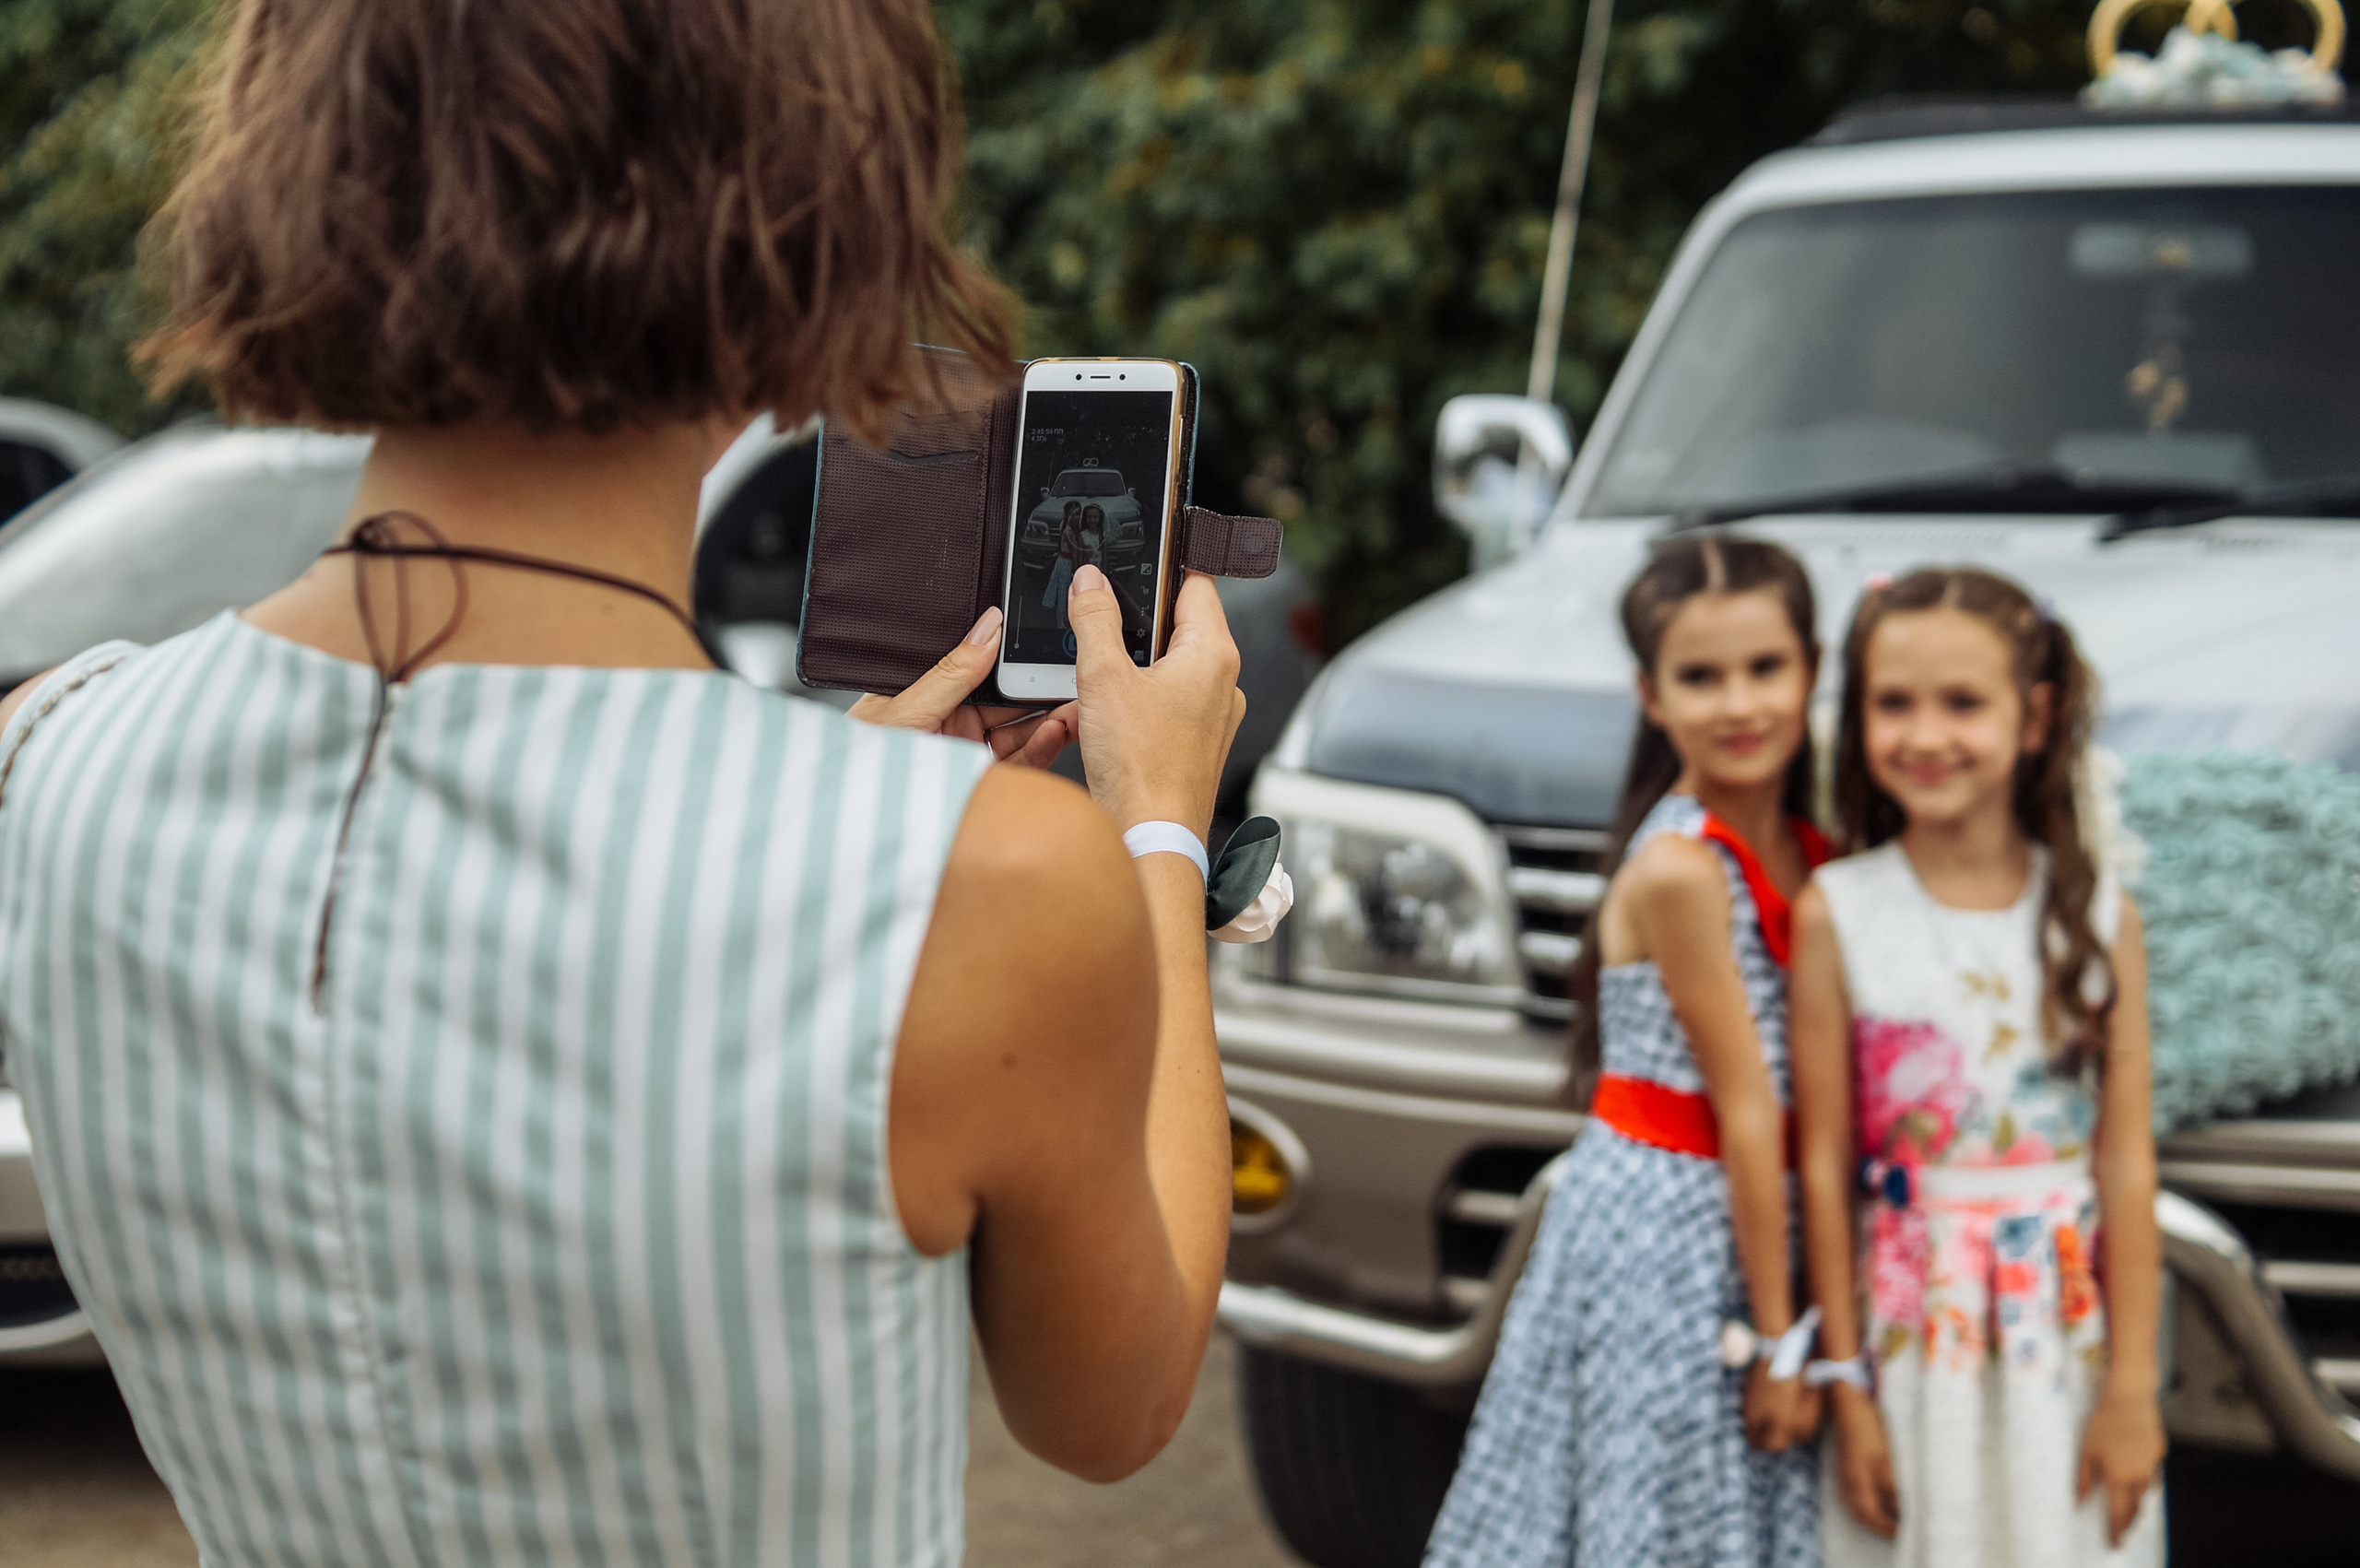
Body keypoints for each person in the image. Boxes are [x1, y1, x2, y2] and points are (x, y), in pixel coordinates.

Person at [0, 2, 1245, 1564]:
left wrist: (849, 838)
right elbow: (1113, 1409)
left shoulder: (52, 754)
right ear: (809, 232)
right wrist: (1156, 834)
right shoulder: (981, 883)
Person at [1424, 535, 1829, 1568]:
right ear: (1652, 696)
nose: (1738, 704)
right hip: (1669, 1236)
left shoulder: (1816, 845)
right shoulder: (1681, 869)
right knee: (1661, 1504)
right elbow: (1744, 1103)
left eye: (1764, 669)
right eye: (1701, 677)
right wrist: (1782, 1340)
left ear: (1813, 673)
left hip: (1757, 1216)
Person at [1789, 568, 2165, 1567]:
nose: (1925, 734)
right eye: (1893, 703)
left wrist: (2131, 1391)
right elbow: (1824, 1168)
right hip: (1911, 1344)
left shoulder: (2097, 918)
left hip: (2065, 1348)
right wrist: (1844, 1383)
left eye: (1963, 703)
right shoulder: (1840, 913)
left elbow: (2127, 1166)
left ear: (2034, 717)